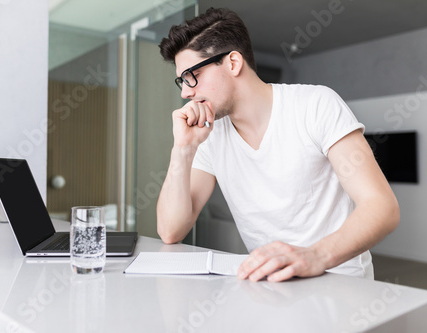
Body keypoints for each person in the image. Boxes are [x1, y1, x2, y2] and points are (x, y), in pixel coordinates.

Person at [156, 7, 399, 282]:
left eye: (191, 76)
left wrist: (314, 256)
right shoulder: (210, 134)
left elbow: (381, 207)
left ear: (233, 63)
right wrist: (183, 150)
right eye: (181, 81)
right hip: (271, 284)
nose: (185, 92)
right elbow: (171, 231)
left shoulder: (315, 105)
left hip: (338, 282)